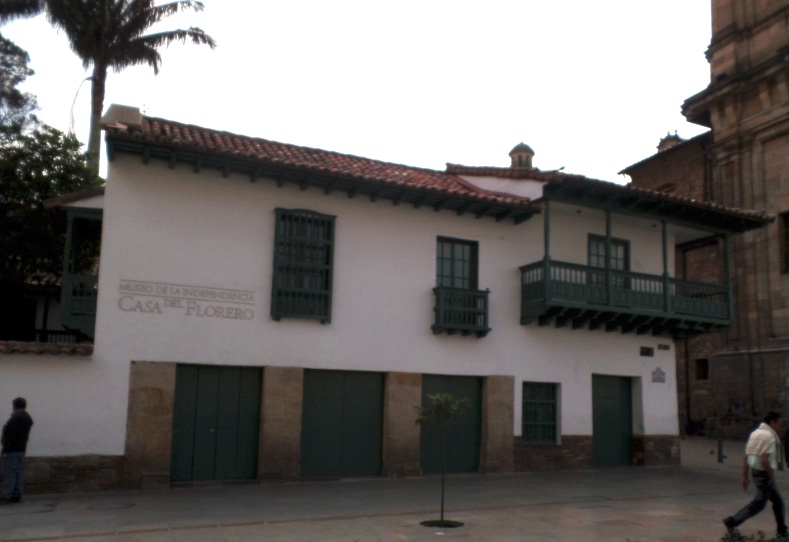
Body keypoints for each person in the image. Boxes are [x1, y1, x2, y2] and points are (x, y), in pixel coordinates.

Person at [724, 411, 788, 538]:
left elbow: (747, 457)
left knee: (778, 502)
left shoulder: (755, 434)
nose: (779, 426)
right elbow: (764, 459)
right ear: (772, 422)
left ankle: (782, 530)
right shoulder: (769, 436)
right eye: (779, 423)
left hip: (755, 472)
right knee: (759, 504)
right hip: (764, 474)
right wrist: (771, 474)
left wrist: (745, 476)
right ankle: (732, 521)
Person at [1, 397, 34, 504]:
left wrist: (4, 450)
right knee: (18, 472)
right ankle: (16, 494)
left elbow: (9, 435)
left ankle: (6, 495)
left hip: (12, 450)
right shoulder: (27, 418)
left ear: (15, 406)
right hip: (21, 448)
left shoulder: (15, 418)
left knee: (10, 472)